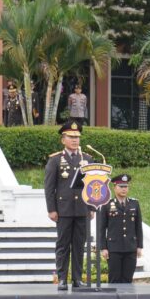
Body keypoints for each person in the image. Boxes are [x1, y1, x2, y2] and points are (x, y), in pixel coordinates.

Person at [44, 121, 95, 290]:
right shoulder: (56, 160)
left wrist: (92, 207)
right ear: (63, 139)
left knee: (79, 245)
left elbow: (93, 185)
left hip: (82, 209)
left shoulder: (87, 159)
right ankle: (62, 278)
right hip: (63, 210)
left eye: (77, 137)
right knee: (63, 245)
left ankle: (77, 279)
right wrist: (51, 209)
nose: (75, 140)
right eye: (71, 137)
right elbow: (49, 187)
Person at [99, 174, 143, 283]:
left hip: (130, 247)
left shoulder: (134, 203)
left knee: (128, 279)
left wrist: (139, 246)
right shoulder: (107, 204)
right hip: (114, 248)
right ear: (114, 188)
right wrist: (103, 247)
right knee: (114, 279)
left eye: (126, 186)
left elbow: (138, 226)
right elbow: (101, 228)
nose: (124, 189)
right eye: (121, 186)